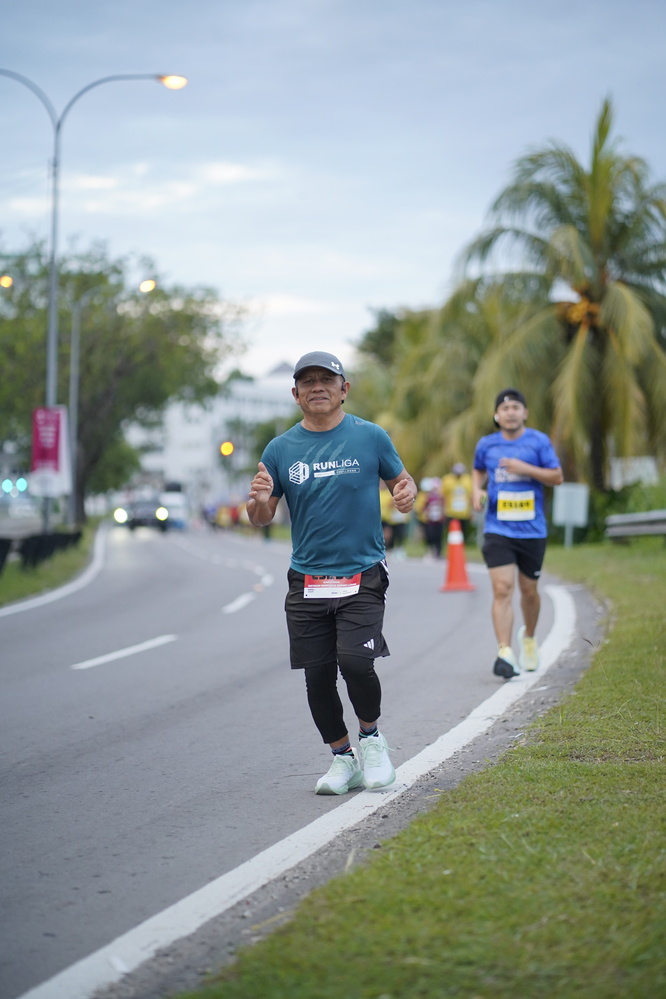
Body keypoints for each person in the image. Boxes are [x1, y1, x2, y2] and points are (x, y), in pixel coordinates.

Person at [247, 351, 417, 795]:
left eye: (327, 379)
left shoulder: (370, 437)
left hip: (363, 572)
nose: (317, 387)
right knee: (317, 675)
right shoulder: (280, 449)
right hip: (307, 578)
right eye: (308, 381)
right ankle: (344, 759)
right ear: (295, 394)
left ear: (344, 389)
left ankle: (372, 740)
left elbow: (403, 481)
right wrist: (259, 502)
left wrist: (406, 494)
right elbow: (261, 517)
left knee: (356, 662)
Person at [472, 389, 563, 679]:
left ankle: (530, 639)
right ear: (496, 415)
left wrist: (524, 468)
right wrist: (476, 490)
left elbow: (557, 476)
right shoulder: (487, 445)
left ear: (525, 413)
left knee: (529, 591)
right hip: (498, 529)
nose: (510, 412)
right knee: (502, 589)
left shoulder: (538, 442)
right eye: (505, 408)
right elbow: (478, 470)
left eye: (515, 407)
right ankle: (505, 652)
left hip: (532, 530)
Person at [414, 478, 446, 558]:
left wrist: (442, 515)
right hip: (430, 520)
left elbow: (443, 506)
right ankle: (431, 550)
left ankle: (438, 552)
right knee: (430, 536)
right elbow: (422, 507)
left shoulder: (441, 497)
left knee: (438, 536)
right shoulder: (427, 497)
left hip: (438, 519)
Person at [441, 462, 473, 541]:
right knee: (451, 532)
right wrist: (443, 509)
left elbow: (471, 496)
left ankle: (461, 547)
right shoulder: (447, 480)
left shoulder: (468, 480)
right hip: (450, 512)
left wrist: (471, 511)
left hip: (464, 513)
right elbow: (443, 496)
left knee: (462, 533)